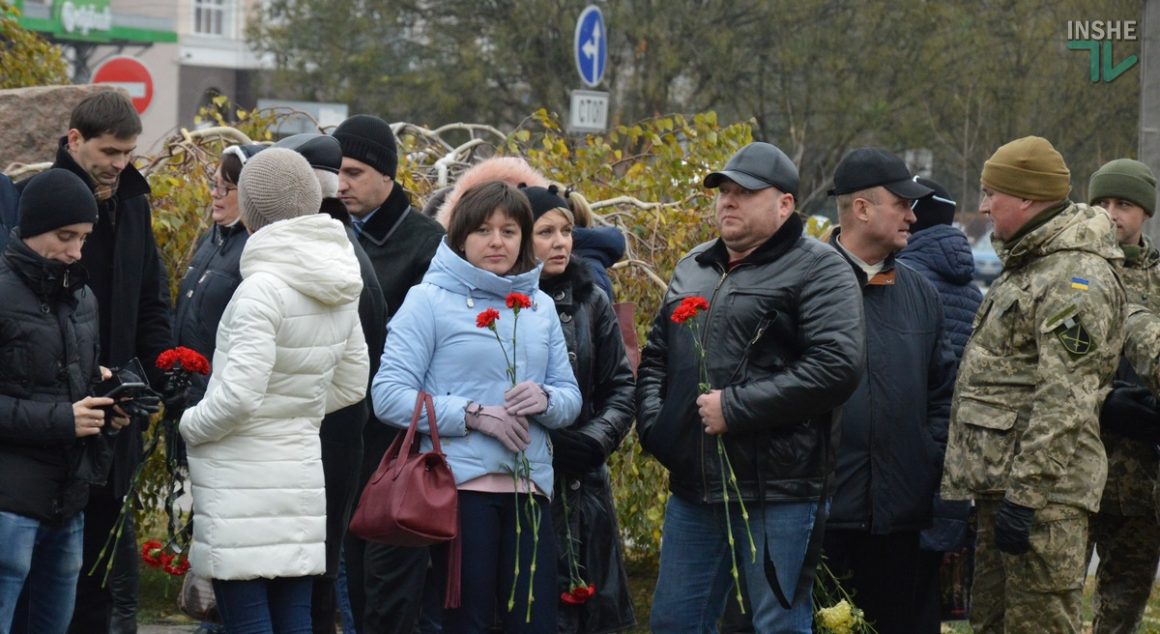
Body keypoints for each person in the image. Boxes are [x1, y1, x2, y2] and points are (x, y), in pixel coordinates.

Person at [635, 142, 866, 633]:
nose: (727, 202)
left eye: (744, 192)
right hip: (695, 486)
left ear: (785, 204)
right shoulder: (693, 265)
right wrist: (658, 428)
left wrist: (735, 408)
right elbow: (657, 356)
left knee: (777, 625)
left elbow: (837, 366)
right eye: (723, 192)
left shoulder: (820, 268)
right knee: (675, 622)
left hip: (780, 489)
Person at [371, 181, 582, 633]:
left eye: (509, 231)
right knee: (467, 623)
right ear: (461, 236)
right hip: (460, 492)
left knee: (534, 623)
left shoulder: (539, 305)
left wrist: (545, 400)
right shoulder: (427, 299)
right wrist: (472, 415)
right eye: (483, 230)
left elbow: (570, 399)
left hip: (531, 493)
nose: (496, 242)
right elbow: (388, 395)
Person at [179, 148, 370, 634]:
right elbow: (352, 383)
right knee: (295, 620)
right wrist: (295, 410)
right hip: (301, 475)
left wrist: (191, 422)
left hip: (241, 483)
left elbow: (239, 397)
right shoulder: (340, 278)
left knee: (247, 620)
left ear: (251, 210)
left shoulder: (261, 287)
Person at [941, 136, 1125, 633]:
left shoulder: (1075, 277)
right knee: (993, 625)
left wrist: (1026, 497)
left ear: (1025, 198)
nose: (982, 206)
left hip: (1043, 501)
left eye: (989, 193)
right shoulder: (1032, 264)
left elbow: (1066, 397)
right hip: (1006, 490)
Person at [18, 91, 174, 634]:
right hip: (48, 412)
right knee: (40, 571)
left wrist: (154, 373)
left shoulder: (132, 200)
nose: (119, 164)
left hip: (115, 406)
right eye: (110, 151)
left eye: (128, 152)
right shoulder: (33, 200)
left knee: (101, 563)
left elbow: (151, 296)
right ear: (75, 140)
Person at [821, 149, 956, 634]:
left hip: (901, 525)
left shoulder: (920, 293)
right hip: (824, 522)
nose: (913, 215)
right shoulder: (803, 284)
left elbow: (942, 394)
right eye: (901, 203)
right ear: (861, 209)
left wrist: (926, 454)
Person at [0, 169, 129, 633]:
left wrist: (106, 405)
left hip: (67, 503)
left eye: (84, 237)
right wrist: (63, 419)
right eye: (65, 236)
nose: (76, 250)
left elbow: (69, 385)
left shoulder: (83, 297)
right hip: (8, 505)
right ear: (32, 228)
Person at [332, 114, 445, 634]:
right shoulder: (329, 229)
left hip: (399, 442)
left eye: (354, 172)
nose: (341, 183)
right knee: (349, 577)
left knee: (391, 590)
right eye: (336, 171)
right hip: (340, 429)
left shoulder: (427, 243)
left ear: (387, 175)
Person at [272, 132, 388, 634]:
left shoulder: (327, 263)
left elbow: (356, 373)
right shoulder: (337, 252)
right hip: (325, 448)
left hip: (317, 449)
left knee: (309, 591)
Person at [525, 185, 636, 633]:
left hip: (582, 490)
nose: (560, 242)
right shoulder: (493, 303)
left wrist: (595, 440)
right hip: (518, 484)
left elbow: (621, 386)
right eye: (545, 231)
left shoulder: (591, 301)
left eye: (567, 230)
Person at [895, 177, 981, 632]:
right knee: (927, 600)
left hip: (908, 465)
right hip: (952, 461)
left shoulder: (906, 281)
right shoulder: (971, 288)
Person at [1084, 158, 1160, 634]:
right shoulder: (1075, 269)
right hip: (1076, 471)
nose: (1112, 214)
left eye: (1124, 204)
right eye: (1103, 203)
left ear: (1145, 214)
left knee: (1120, 614)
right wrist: (1104, 399)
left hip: (1141, 486)